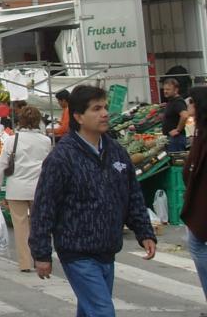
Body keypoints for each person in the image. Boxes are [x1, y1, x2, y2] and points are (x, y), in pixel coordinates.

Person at [30, 85, 156, 315]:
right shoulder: (62, 157)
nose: (105, 113)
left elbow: (132, 194)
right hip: (77, 251)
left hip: (107, 249)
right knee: (102, 311)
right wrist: (41, 252)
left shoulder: (116, 151)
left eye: (105, 107)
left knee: (91, 310)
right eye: (96, 109)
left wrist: (144, 232)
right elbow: (44, 207)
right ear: (78, 116)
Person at [0, 105, 53, 272]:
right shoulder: (46, 141)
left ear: (20, 120)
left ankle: (25, 262)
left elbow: (2, 164)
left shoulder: (12, 140)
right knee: (38, 225)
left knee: (20, 226)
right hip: (39, 188)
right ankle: (40, 257)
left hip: (16, 188)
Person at [181, 86, 207, 303]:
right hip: (200, 200)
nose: (188, 108)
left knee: (196, 245)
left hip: (203, 201)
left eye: (191, 104)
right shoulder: (199, 130)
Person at [162, 77, 191, 153]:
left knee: (178, 162)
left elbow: (184, 115)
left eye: (168, 89)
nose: (165, 91)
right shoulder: (172, 101)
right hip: (172, 139)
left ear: (176, 90)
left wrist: (178, 130)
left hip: (176, 139)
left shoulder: (178, 102)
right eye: (164, 89)